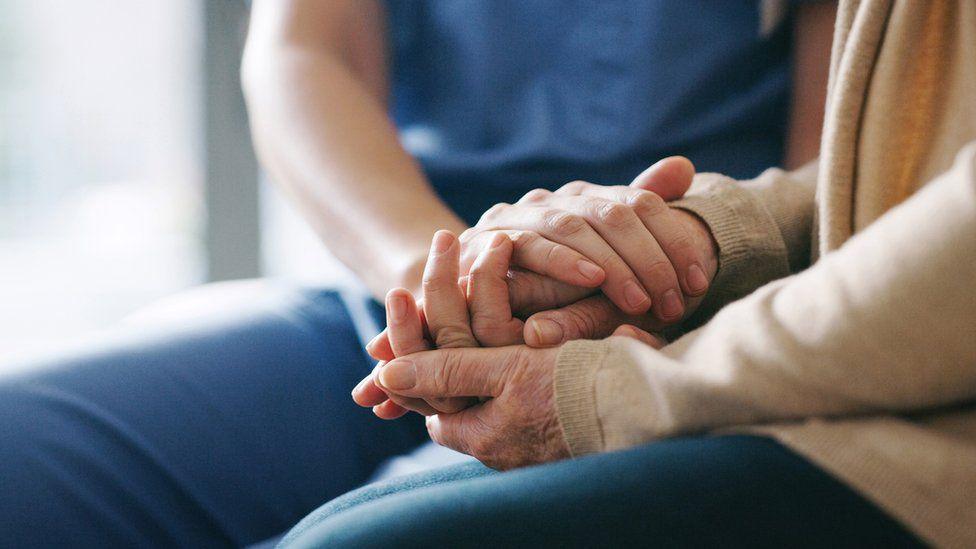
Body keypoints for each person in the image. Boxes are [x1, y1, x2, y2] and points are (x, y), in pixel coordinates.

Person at [0, 1, 835, 546]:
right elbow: (301, 55)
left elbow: (836, 174)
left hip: (669, 331)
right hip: (389, 296)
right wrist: (439, 274)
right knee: (19, 447)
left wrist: (655, 290)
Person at [281, 1, 976, 547]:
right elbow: (893, 169)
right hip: (443, 288)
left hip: (898, 418)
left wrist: (616, 389)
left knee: (350, 538)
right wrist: (706, 234)